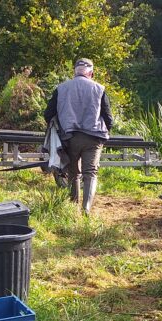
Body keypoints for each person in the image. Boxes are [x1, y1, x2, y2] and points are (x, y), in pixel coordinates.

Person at [44, 58, 114, 215]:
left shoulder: (61, 88)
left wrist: (58, 128)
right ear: (91, 73)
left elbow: (48, 114)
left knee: (73, 173)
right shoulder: (99, 89)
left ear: (74, 72)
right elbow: (109, 118)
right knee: (90, 173)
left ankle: (73, 205)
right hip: (93, 138)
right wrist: (104, 133)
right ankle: (86, 208)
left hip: (69, 137)